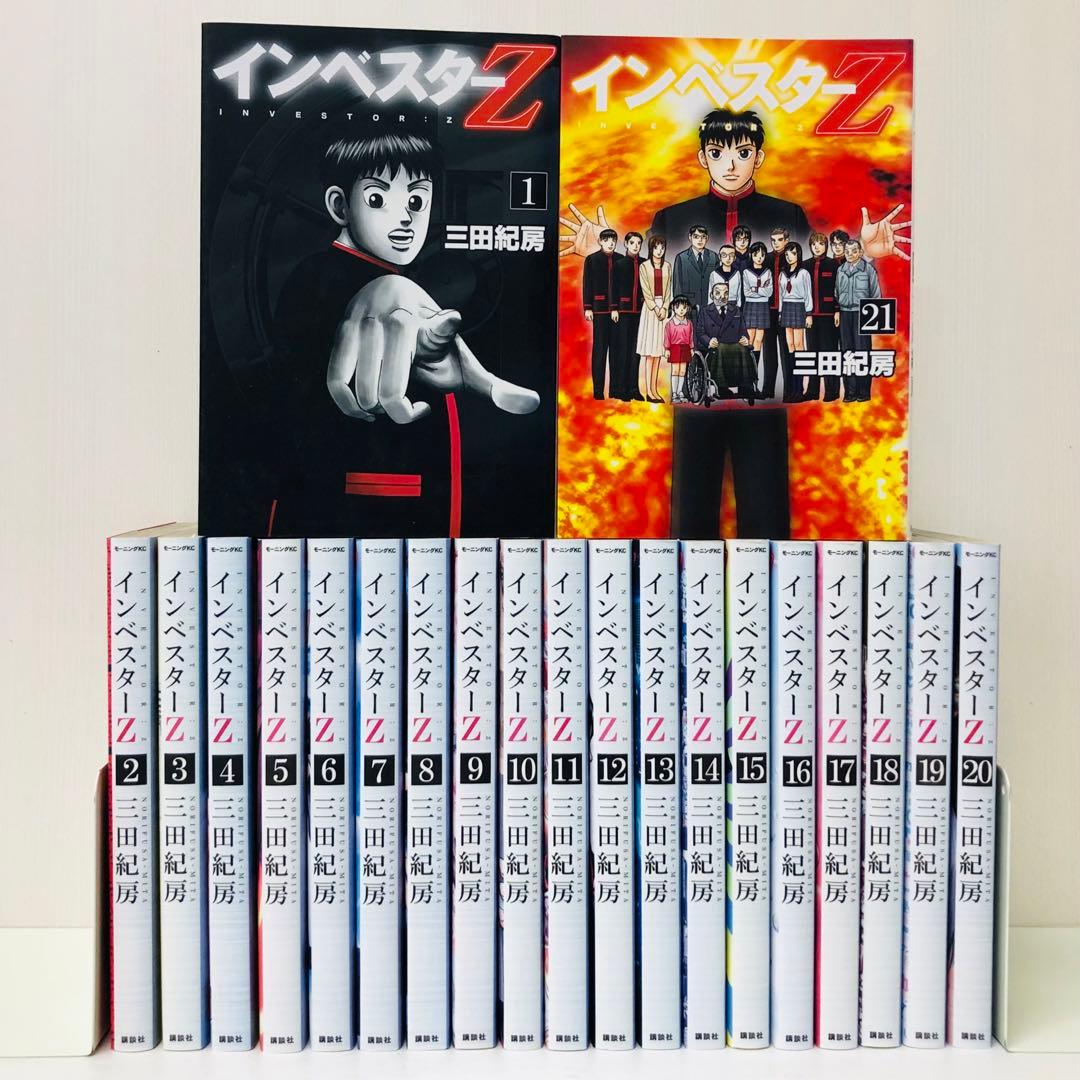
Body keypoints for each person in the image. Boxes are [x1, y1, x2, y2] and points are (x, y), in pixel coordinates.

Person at [272, 131, 538, 537]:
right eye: (377, 199)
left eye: (416, 201)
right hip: (358, 512)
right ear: (340, 205)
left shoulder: (409, 282)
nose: (405, 219)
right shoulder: (317, 278)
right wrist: (385, 290)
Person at [650, 108, 811, 249]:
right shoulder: (669, 221)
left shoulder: (791, 217)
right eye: (716, 153)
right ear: (703, 158)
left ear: (758, 158)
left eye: (743, 153)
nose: (730, 166)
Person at [836, 238, 882, 402]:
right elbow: (836, 292)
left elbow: (876, 294)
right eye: (847, 251)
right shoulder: (841, 270)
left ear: (860, 252)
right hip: (845, 314)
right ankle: (850, 392)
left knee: (862, 352)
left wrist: (873, 319)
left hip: (863, 314)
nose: (850, 254)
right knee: (847, 353)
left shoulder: (868, 270)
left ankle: (863, 392)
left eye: (853, 251)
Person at [695, 281, 756, 405]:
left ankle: (746, 387)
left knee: (743, 349)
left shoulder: (736, 310)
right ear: (712, 295)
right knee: (721, 348)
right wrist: (709, 341)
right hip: (715, 348)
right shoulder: (705, 311)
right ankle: (722, 387)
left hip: (735, 346)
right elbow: (700, 332)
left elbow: (743, 330)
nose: (722, 297)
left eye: (726, 293)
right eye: (718, 293)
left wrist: (745, 337)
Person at [581, 227, 624, 398]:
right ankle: (598, 391)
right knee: (599, 350)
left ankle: (615, 390)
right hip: (599, 310)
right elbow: (587, 284)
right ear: (600, 241)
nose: (610, 243)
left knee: (616, 351)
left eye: (613, 240)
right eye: (606, 240)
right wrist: (587, 307)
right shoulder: (592, 259)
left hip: (618, 312)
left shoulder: (621, 259)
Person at [805, 231, 840, 401]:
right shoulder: (805, 265)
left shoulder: (834, 264)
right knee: (812, 352)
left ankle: (831, 391)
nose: (817, 247)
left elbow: (839, 290)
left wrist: (837, 310)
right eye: (814, 244)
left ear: (826, 246)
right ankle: (812, 390)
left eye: (820, 244)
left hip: (829, 315)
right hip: (810, 317)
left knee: (829, 353)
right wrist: (806, 313)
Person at [637, 236, 672, 403]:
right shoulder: (644, 266)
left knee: (658, 351)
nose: (659, 251)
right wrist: (655, 308)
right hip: (650, 309)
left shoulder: (668, 266)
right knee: (649, 352)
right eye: (656, 247)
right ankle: (648, 391)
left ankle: (655, 389)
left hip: (663, 309)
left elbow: (669, 289)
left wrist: (664, 307)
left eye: (662, 248)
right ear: (651, 249)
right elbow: (645, 290)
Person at [778, 241, 813, 401]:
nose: (789, 256)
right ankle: (792, 388)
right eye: (787, 254)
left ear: (798, 254)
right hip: (786, 307)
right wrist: (780, 312)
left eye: (792, 253)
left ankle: (800, 388)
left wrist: (808, 313)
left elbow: (808, 294)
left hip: (799, 306)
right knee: (790, 346)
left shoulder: (804, 273)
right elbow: (781, 295)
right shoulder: (783, 273)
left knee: (799, 345)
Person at [614, 231, 646, 401]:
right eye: (632, 243)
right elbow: (613, 288)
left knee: (636, 351)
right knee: (623, 350)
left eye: (638, 243)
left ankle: (634, 389)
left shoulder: (645, 263)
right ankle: (622, 389)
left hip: (641, 313)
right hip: (623, 312)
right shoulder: (619, 264)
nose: (635, 246)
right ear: (626, 244)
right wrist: (614, 308)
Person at [740, 241, 772, 385]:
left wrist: (755, 289)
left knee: (758, 341)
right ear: (751, 255)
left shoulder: (767, 272)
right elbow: (746, 292)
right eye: (756, 254)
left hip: (763, 306)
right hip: (750, 306)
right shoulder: (746, 272)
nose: (759, 257)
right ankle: (746, 379)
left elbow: (769, 292)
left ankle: (754, 378)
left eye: (762, 255)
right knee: (749, 340)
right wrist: (760, 290)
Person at [672, 225, 720, 318]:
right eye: (696, 237)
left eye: (703, 237)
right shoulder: (681, 257)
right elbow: (677, 286)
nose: (700, 240)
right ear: (690, 237)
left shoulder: (713, 256)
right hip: (689, 304)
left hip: (709, 303)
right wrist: (679, 306)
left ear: (707, 238)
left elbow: (718, 282)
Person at [664, 295, 695, 403]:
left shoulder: (689, 323)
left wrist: (691, 348)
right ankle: (674, 394)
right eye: (678, 307)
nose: (681, 310)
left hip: (685, 348)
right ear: (673, 308)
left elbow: (691, 337)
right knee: (675, 370)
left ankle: (680, 391)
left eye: (684, 308)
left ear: (688, 308)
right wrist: (667, 349)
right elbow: (667, 337)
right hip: (675, 348)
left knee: (682, 371)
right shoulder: (670, 324)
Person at [708, 243, 744, 309]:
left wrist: (739, 306)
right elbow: (710, 292)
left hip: (733, 305)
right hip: (718, 304)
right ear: (720, 257)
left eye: (731, 255)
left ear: (734, 258)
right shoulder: (714, 274)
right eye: (724, 255)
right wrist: (710, 307)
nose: (728, 258)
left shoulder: (737, 273)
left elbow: (739, 292)